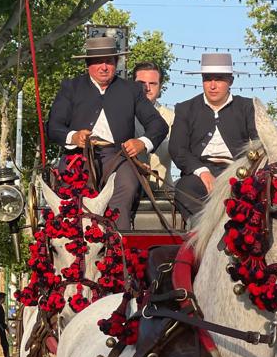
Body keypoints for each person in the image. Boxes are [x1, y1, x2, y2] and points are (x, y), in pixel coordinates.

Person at [46, 36, 168, 231]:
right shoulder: (71, 87)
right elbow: (53, 127)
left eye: (109, 61)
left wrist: (142, 142)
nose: (104, 67)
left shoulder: (131, 89)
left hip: (118, 158)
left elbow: (158, 125)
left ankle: (116, 251)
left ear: (116, 63)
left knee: (127, 186)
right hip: (78, 157)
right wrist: (74, 137)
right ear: (88, 65)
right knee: (72, 200)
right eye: (98, 62)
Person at [169, 53, 257, 223]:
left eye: (219, 79)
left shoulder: (246, 107)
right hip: (199, 174)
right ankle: (200, 231)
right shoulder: (186, 108)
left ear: (230, 81)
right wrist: (203, 172)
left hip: (238, 172)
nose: (213, 86)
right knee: (184, 188)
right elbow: (177, 148)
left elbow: (260, 143)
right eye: (208, 79)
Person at [132, 61, 174, 185]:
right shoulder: (120, 115)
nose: (147, 88)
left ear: (160, 87)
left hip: (163, 190)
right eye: (141, 83)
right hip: (127, 187)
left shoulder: (172, 117)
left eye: (153, 83)